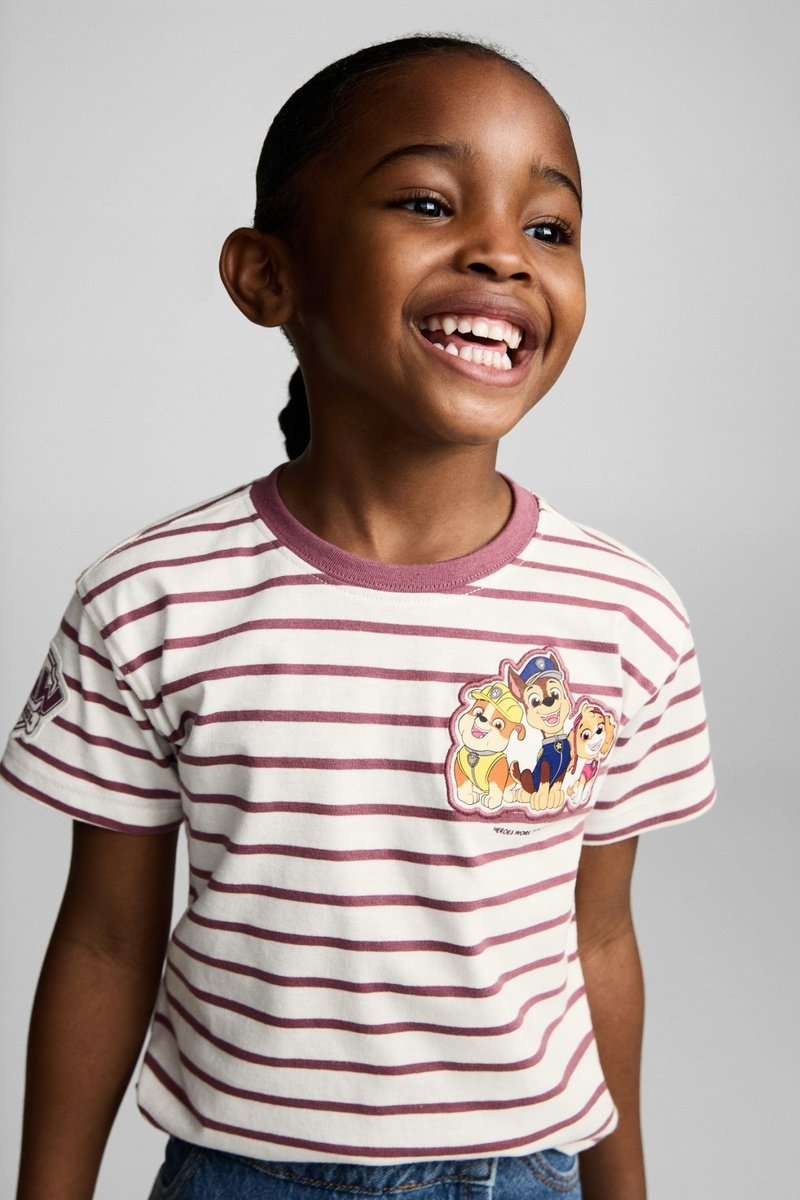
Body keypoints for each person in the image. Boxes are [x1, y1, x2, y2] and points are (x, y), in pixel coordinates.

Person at [2, 34, 715, 1200]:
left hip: (515, 1178)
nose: (501, 252)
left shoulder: (623, 615)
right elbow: (105, 943)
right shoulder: (149, 601)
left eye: (548, 227)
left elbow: (596, 940)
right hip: (237, 1177)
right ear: (265, 278)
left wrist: (621, 1190)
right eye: (429, 203)